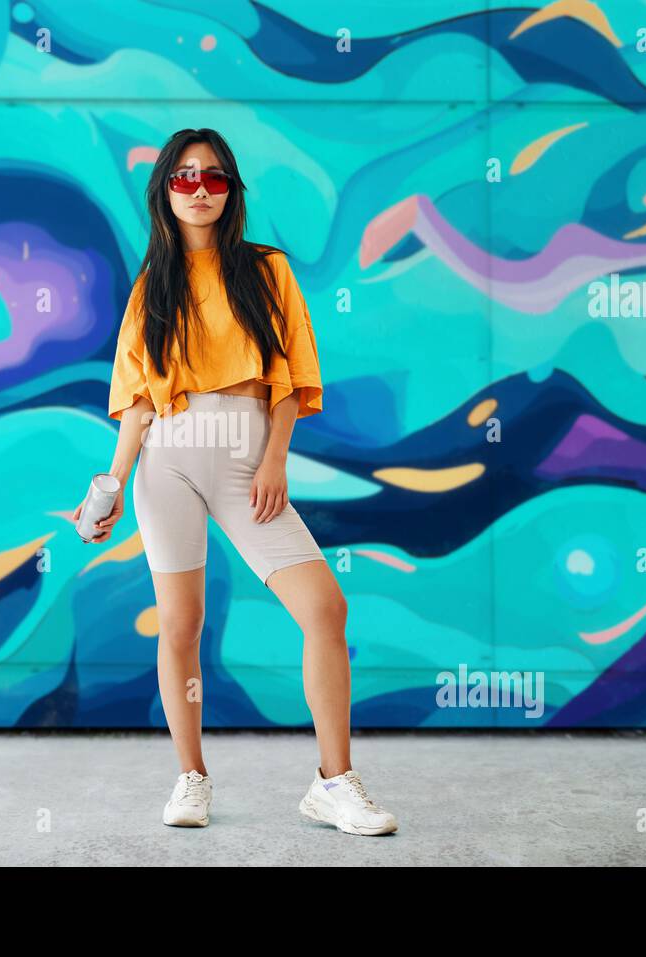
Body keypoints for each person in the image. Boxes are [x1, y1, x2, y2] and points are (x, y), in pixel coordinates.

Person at [73, 128, 397, 837]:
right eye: (184, 176)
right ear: (164, 189)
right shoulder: (150, 286)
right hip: (168, 460)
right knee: (181, 626)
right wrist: (111, 485)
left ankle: (334, 782)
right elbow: (134, 404)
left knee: (324, 610)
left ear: (231, 190)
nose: (199, 188)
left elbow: (289, 376)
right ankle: (191, 777)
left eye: (214, 177)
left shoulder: (267, 269)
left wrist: (276, 457)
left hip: (249, 458)